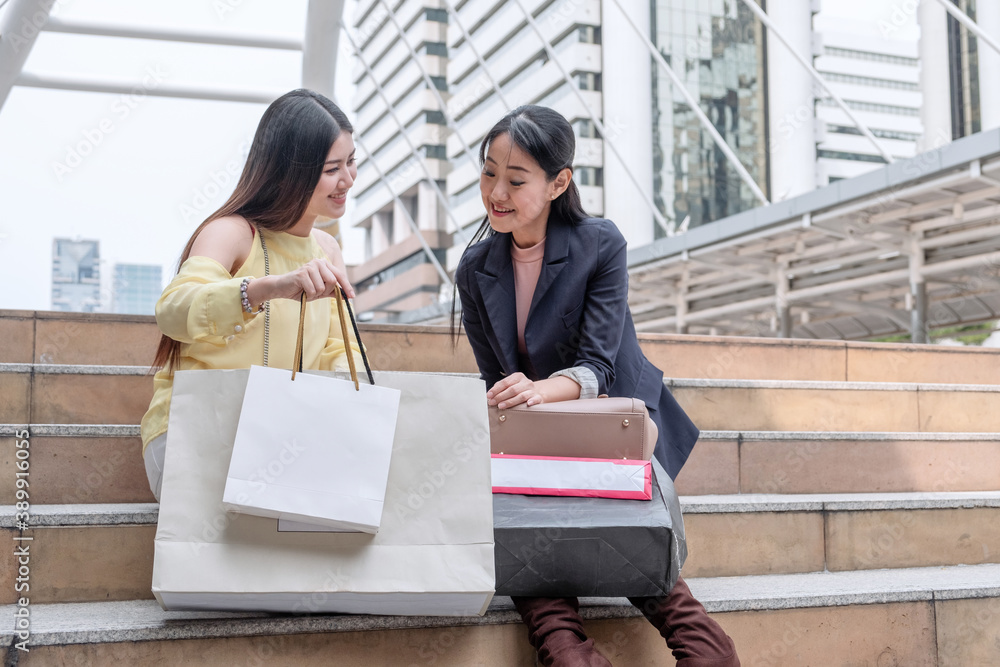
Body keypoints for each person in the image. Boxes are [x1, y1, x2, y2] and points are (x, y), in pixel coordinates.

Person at [455, 105, 740, 667]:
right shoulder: (475, 267)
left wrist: (536, 392)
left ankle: (706, 651)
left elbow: (597, 368)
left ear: (559, 182)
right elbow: (497, 381)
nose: (496, 192)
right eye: (489, 172)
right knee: (527, 536)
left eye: (515, 180)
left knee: (625, 537)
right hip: (533, 434)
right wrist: (516, 403)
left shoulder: (599, 244)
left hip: (613, 424)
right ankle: (570, 655)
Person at [141, 89, 363, 500]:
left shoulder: (328, 250)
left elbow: (338, 348)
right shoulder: (232, 232)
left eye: (351, 162)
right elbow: (174, 311)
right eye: (332, 168)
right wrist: (269, 288)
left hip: (279, 437)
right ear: (289, 171)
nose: (348, 179)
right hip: (199, 431)